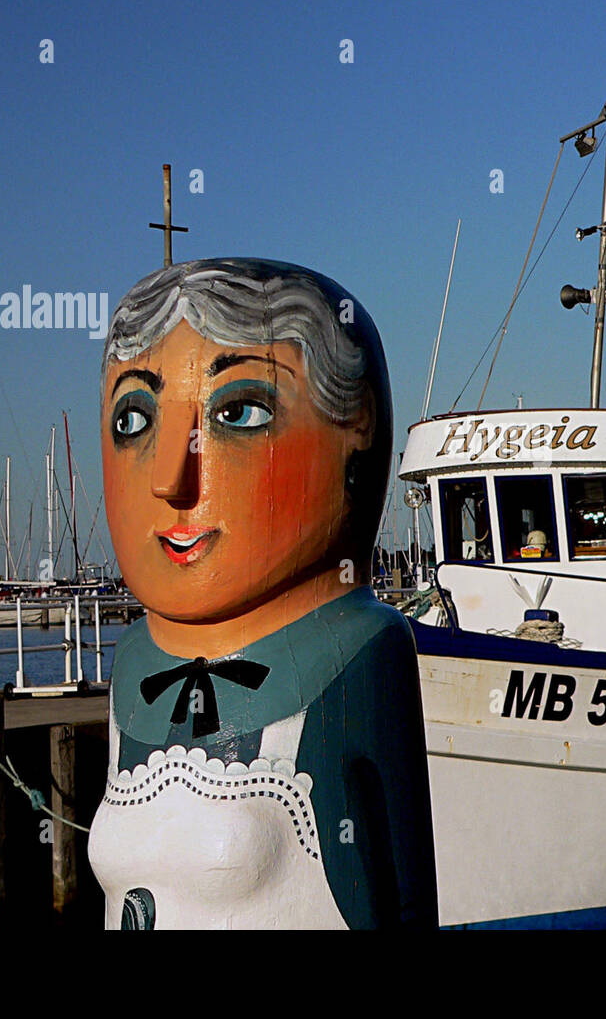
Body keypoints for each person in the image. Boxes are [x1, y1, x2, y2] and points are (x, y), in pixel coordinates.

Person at [87, 258, 436, 929]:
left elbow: (403, 893)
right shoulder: (134, 661)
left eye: (239, 412)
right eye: (134, 420)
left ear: (356, 425)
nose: (170, 481)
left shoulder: (360, 651)